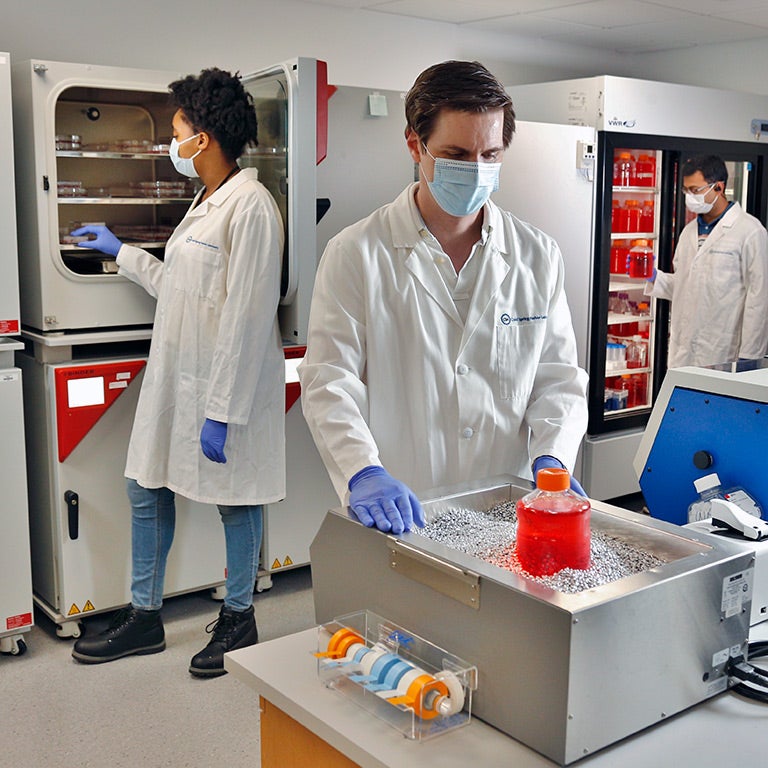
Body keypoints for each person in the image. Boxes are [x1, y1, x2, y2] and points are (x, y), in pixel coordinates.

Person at [298, 60, 589, 535]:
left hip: (508, 509)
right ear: (415, 144)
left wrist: (552, 457)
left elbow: (557, 378)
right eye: (456, 153)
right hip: (404, 510)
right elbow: (329, 382)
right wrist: (363, 472)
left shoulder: (537, 255)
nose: (476, 171)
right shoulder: (356, 253)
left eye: (490, 155)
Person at [69, 68, 285, 677]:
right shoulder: (205, 200)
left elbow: (245, 319)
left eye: (177, 128)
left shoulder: (251, 208)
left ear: (205, 138)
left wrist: (221, 413)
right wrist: (123, 253)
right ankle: (145, 618)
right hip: (177, 376)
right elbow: (184, 290)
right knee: (145, 484)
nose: (173, 139)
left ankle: (239, 619)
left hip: (224, 387)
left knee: (235, 501)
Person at [645, 154, 768, 368]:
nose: (689, 197)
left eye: (695, 190)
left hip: (723, 350)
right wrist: (655, 278)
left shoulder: (750, 231)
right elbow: (687, 286)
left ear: (719, 187)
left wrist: (750, 355)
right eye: (686, 190)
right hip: (683, 349)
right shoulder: (688, 232)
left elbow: (760, 299)